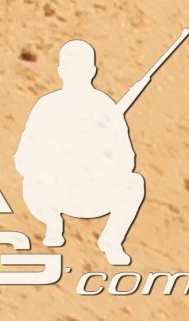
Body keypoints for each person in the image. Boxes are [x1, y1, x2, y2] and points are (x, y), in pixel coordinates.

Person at [16, 40, 150, 265]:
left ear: (92, 72)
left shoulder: (105, 108)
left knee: (134, 183)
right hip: (55, 193)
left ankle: (111, 241)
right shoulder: (47, 106)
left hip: (95, 193)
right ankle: (52, 223)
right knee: (31, 183)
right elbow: (23, 158)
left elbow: (126, 160)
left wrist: (98, 155)